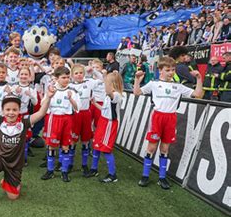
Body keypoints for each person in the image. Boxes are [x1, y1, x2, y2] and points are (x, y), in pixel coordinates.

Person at [0, 81, 55, 205]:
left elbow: (41, 113)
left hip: (15, 164)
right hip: (0, 158)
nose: (11, 112)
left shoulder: (24, 122)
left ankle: (9, 181)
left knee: (13, 197)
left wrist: (49, 98)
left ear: (19, 110)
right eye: (7, 109)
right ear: (2, 110)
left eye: (14, 109)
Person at [134, 57, 203, 190]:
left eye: (173, 70)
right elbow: (137, 92)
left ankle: (162, 177)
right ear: (160, 71)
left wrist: (199, 79)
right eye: (167, 70)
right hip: (157, 118)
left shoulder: (178, 86)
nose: (171, 72)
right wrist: (137, 80)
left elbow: (198, 94)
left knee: (164, 149)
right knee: (151, 148)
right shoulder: (153, 84)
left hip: (171, 118)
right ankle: (145, 175)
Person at [41, 66, 79, 182]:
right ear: (56, 78)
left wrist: (71, 99)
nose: (66, 79)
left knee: (65, 145)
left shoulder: (72, 91)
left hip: (67, 119)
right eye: (63, 77)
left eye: (68, 77)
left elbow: (77, 108)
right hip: (54, 119)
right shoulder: (51, 90)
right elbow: (43, 105)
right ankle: (50, 170)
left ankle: (64, 171)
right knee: (52, 145)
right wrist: (48, 96)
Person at [85, 72, 124, 183]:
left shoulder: (116, 95)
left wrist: (104, 78)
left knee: (106, 149)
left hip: (110, 124)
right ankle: (94, 169)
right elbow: (104, 109)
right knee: (96, 145)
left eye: (107, 82)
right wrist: (95, 103)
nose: (104, 84)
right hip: (103, 121)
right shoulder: (108, 95)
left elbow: (109, 92)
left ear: (112, 84)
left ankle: (112, 175)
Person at [69, 64, 103, 175]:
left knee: (85, 140)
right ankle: (70, 164)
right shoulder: (69, 86)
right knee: (72, 141)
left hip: (86, 114)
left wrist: (93, 70)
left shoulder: (89, 82)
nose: (79, 75)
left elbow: (102, 79)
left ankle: (84, 165)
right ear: (72, 75)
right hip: (75, 115)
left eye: (81, 73)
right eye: (76, 73)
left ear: (84, 74)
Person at [12, 67, 38, 165]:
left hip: (25, 114)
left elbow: (35, 103)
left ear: (29, 76)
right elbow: (7, 99)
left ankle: (24, 158)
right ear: (18, 76)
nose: (23, 76)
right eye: (21, 74)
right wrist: (14, 93)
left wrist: (31, 95)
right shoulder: (14, 86)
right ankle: (14, 157)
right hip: (13, 115)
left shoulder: (31, 88)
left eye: (25, 74)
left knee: (25, 137)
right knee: (14, 135)